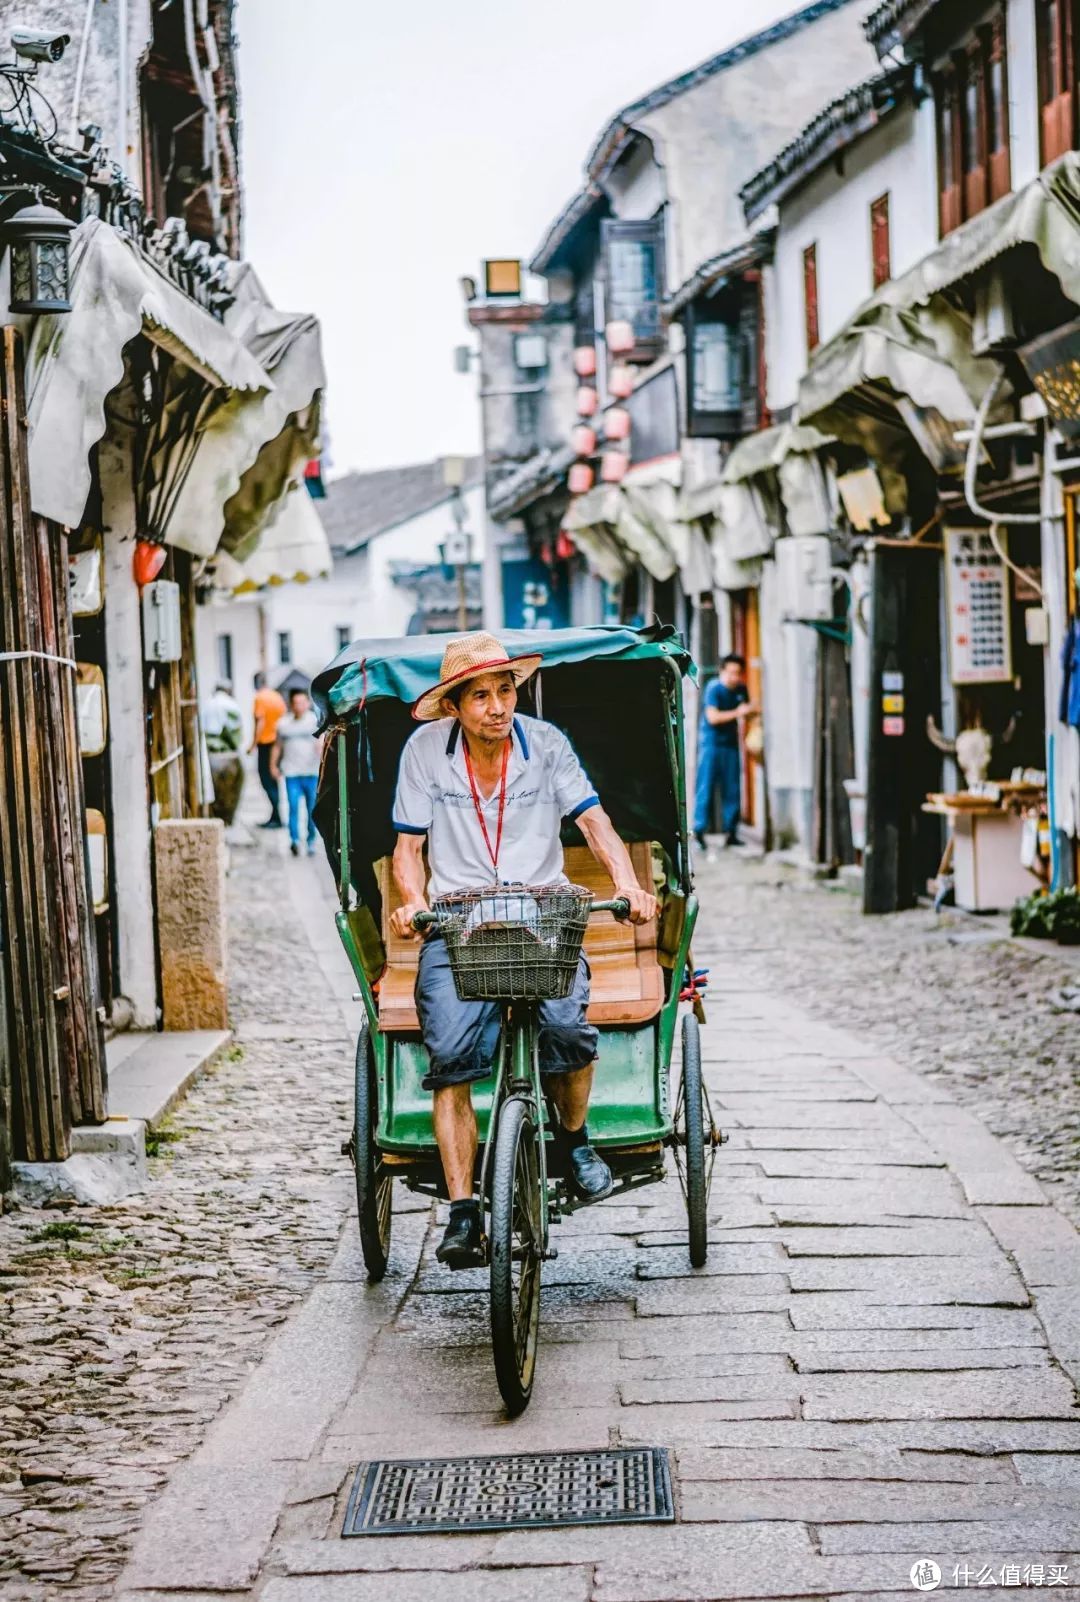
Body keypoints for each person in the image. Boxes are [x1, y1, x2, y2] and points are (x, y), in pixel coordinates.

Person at [389, 631, 657, 1267]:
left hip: (543, 915)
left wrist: (626, 882)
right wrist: (410, 900)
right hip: (458, 921)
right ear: (454, 704)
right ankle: (461, 1212)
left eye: (505, 690)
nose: (496, 706)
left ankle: (574, 1140)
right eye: (479, 695)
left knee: (569, 1031)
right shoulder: (426, 751)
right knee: (450, 1056)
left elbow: (595, 821)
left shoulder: (548, 745)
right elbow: (408, 849)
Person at [694, 653, 756, 850]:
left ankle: (732, 832)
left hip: (731, 744)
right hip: (711, 744)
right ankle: (699, 831)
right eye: (730, 672)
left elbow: (747, 711)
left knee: (733, 789)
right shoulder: (714, 688)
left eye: (738, 673)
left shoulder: (741, 689)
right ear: (722, 671)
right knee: (706, 786)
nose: (734, 677)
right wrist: (739, 713)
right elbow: (712, 717)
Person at [272, 688, 322, 857]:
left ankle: (311, 841)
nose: (299, 706)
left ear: (308, 703)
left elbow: (321, 742)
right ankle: (294, 840)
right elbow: (277, 746)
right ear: (291, 705)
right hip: (291, 773)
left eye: (302, 702)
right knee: (292, 807)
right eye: (296, 703)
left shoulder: (315, 721)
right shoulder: (283, 724)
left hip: (311, 772)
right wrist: (273, 765)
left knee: (312, 809)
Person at [202, 681, 244, 825]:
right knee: (229, 793)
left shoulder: (207, 703)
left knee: (214, 791)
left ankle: (215, 817)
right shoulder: (231, 704)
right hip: (227, 755)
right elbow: (235, 734)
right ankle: (226, 819)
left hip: (209, 754)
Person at [250, 672, 287, 828]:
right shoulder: (277, 697)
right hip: (278, 742)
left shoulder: (260, 697)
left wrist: (252, 744)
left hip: (266, 743)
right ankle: (275, 815)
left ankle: (277, 817)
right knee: (273, 780)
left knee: (266, 780)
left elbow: (260, 722)